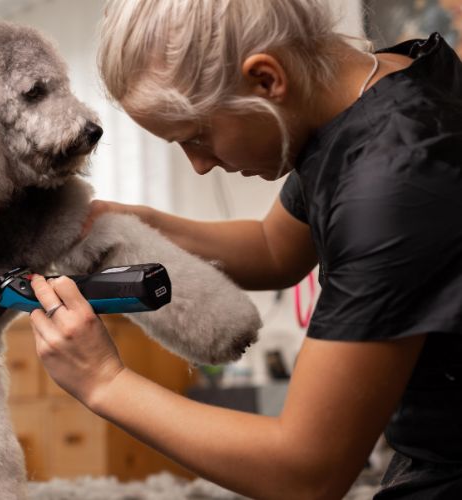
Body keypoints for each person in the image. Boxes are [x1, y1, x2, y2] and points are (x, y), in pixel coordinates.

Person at [27, 1, 462, 498]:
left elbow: (307, 470)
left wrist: (103, 381)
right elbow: (274, 247)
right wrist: (134, 222)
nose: (199, 165)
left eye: (198, 138)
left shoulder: (391, 178)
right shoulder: (379, 90)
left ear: (265, 80)